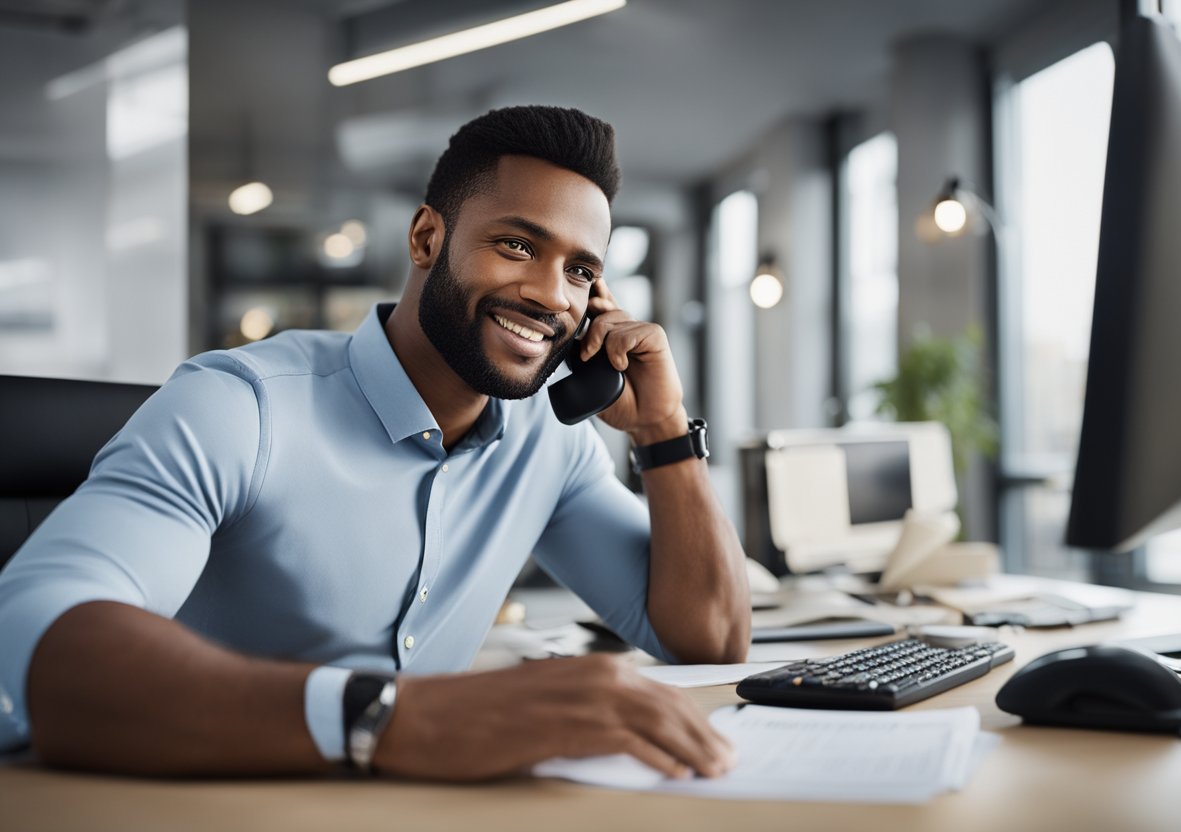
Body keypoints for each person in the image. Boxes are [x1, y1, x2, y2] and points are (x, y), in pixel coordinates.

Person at [0, 106, 749, 781]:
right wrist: (394, 717)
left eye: (581, 271)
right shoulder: (239, 406)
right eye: (518, 245)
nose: (553, 296)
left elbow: (709, 641)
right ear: (427, 237)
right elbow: (30, 644)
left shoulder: (548, 445)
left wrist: (662, 432)